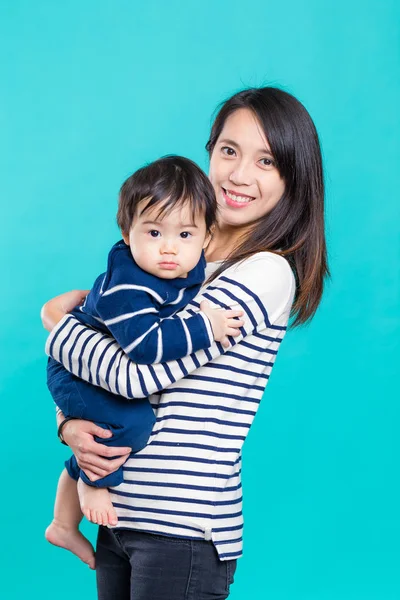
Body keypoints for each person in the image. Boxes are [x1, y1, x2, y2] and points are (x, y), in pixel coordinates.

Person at [42, 86, 329, 600]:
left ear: (293, 177)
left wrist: (55, 328)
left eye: (266, 160)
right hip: (121, 513)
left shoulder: (265, 272)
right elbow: (105, 357)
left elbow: (139, 370)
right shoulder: (175, 255)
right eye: (228, 151)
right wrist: (69, 425)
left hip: (184, 528)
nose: (240, 175)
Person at [45, 155, 244, 570]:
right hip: (79, 371)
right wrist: (207, 327)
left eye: (184, 234)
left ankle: (63, 524)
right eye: (153, 232)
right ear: (126, 233)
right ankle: (93, 487)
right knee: (132, 425)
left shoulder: (186, 266)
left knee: (108, 428)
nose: (168, 247)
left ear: (206, 237)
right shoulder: (130, 285)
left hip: (90, 363)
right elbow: (146, 349)